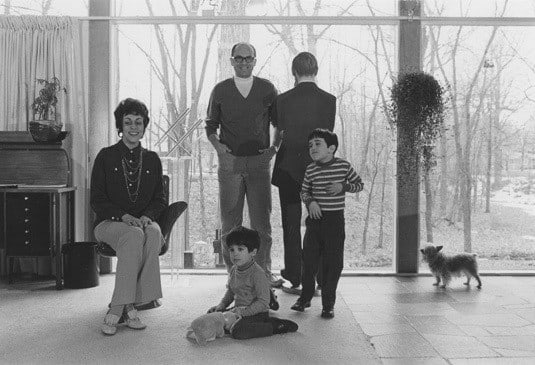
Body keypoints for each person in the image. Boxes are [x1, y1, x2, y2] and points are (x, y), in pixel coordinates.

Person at [205, 42, 283, 287]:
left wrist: (273, 149)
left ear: (255, 60)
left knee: (262, 224)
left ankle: (263, 276)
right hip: (230, 164)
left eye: (248, 58)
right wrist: (220, 149)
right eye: (238, 58)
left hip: (259, 164)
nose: (243, 62)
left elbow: (279, 124)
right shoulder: (220, 90)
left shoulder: (267, 89)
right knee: (230, 224)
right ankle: (234, 278)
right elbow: (210, 127)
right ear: (231, 60)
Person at [90, 98, 167, 335]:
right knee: (133, 235)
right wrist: (123, 216)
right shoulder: (105, 156)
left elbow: (160, 199)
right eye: (128, 122)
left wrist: (147, 216)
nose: (134, 126)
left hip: (142, 222)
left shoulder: (153, 159)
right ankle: (119, 307)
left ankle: (130, 304)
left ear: (144, 126)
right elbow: (97, 200)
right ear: (120, 126)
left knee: (153, 233)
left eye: (139, 122)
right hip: (108, 223)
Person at [271, 52, 336, 294]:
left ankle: (294, 276)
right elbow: (326, 135)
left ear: (294, 72)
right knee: (317, 224)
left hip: (289, 168)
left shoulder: (283, 99)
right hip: (318, 170)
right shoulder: (329, 100)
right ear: (316, 70)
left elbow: (280, 131)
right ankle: (318, 277)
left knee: (290, 224)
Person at [291, 129, 363, 319]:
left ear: (331, 148)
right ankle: (304, 298)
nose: (312, 148)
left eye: (317, 144)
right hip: (314, 223)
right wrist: (310, 202)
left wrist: (343, 186)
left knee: (333, 263)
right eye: (310, 145)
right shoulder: (311, 169)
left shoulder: (343, 166)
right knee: (309, 261)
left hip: (335, 222)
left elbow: (359, 184)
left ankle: (328, 305)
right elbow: (304, 191)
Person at [207, 226, 298, 340]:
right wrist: (221, 306)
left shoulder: (258, 274)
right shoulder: (234, 269)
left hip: (257, 313)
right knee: (212, 316)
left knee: (238, 332)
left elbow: (263, 303)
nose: (235, 254)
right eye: (232, 250)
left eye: (240, 249)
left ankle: (273, 325)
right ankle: (230, 319)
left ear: (253, 252)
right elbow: (231, 292)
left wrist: (242, 313)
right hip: (239, 309)